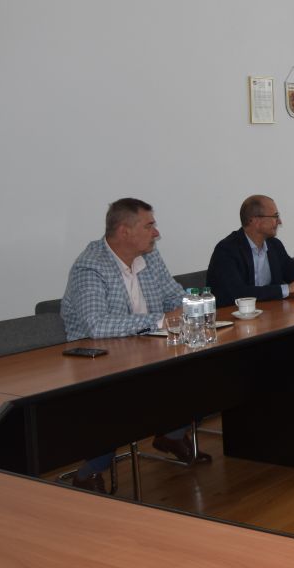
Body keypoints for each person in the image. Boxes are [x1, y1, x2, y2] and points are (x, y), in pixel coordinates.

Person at [60, 198, 209, 492]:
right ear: (124, 231)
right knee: (121, 403)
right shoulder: (90, 266)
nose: (156, 233)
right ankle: (89, 472)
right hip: (97, 363)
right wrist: (160, 320)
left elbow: (174, 296)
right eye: (149, 226)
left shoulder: (149, 257)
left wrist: (197, 306)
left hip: (145, 349)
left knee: (208, 371)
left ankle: (171, 434)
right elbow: (96, 326)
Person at [206, 195, 294, 307]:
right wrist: (288, 288)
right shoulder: (227, 250)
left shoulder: (274, 245)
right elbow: (237, 293)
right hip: (233, 315)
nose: (279, 221)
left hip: (270, 313)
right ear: (255, 220)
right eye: (275, 216)